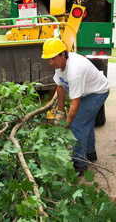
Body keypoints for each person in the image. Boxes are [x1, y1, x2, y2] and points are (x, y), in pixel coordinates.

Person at [42, 37, 110, 176]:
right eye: (48, 59)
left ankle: (80, 163)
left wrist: (66, 125)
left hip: (97, 92)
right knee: (87, 122)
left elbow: (75, 103)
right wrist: (61, 111)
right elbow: (60, 87)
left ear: (63, 54)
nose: (51, 62)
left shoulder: (74, 71)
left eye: (53, 58)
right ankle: (90, 153)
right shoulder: (59, 65)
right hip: (87, 92)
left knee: (78, 125)